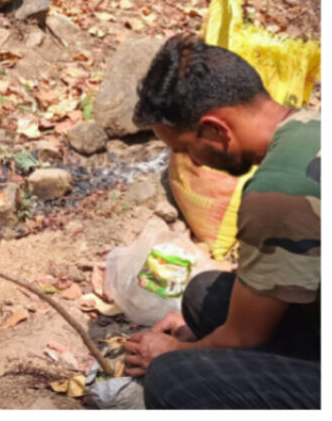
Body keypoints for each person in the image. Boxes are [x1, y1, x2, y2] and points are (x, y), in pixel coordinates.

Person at [123, 33, 319, 409]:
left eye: (185, 149)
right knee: (204, 293)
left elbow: (244, 338)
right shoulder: (312, 123)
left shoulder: (277, 194)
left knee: (173, 380)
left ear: (215, 129)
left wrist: (176, 352)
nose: (193, 163)